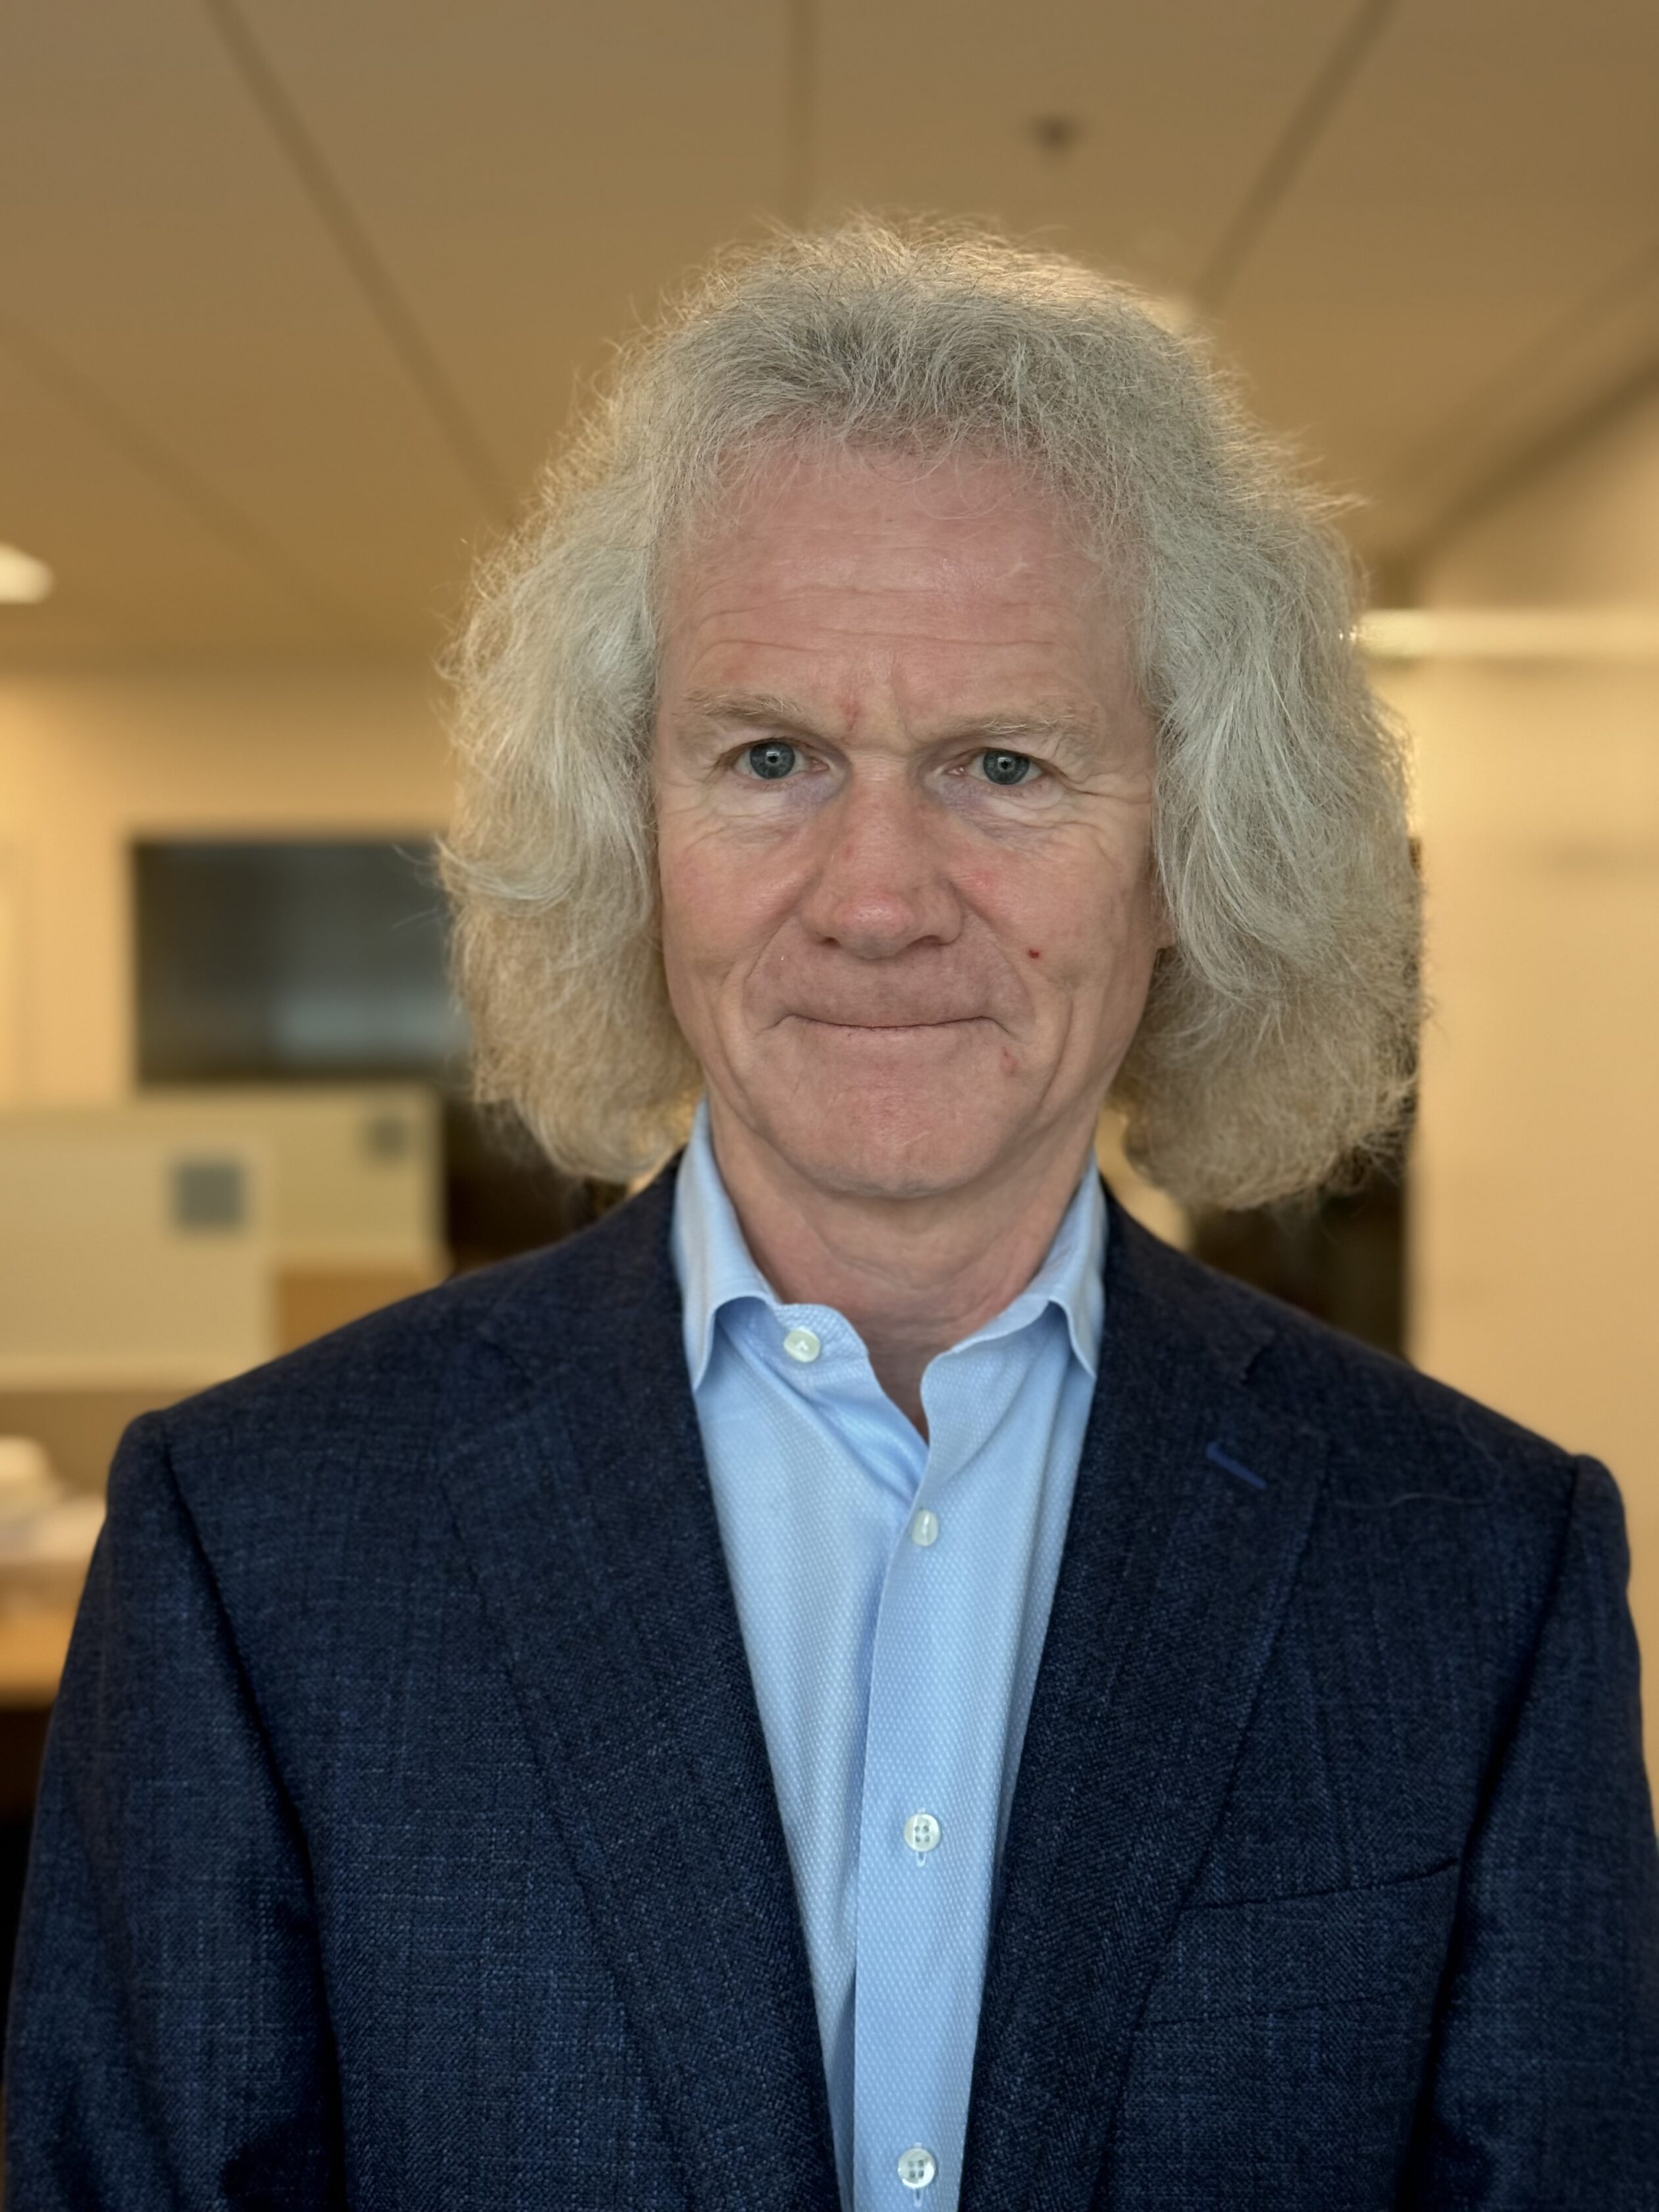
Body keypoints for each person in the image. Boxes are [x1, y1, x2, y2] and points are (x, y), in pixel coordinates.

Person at [7, 224, 1656, 2211]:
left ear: (1193, 854)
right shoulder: (256, 1544)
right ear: (638, 834)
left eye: (1005, 763)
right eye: (772, 757)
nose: (879, 897)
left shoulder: (1479, 1569)